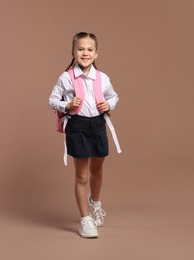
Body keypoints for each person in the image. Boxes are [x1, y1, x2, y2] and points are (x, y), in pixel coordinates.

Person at [48, 32, 120, 238]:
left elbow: (114, 96)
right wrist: (67, 105)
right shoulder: (66, 77)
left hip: (97, 125)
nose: (85, 53)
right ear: (73, 52)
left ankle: (94, 203)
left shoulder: (103, 77)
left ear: (96, 54)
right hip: (77, 126)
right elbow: (51, 100)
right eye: (80, 49)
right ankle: (85, 219)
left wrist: (109, 104)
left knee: (97, 170)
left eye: (89, 49)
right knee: (82, 175)